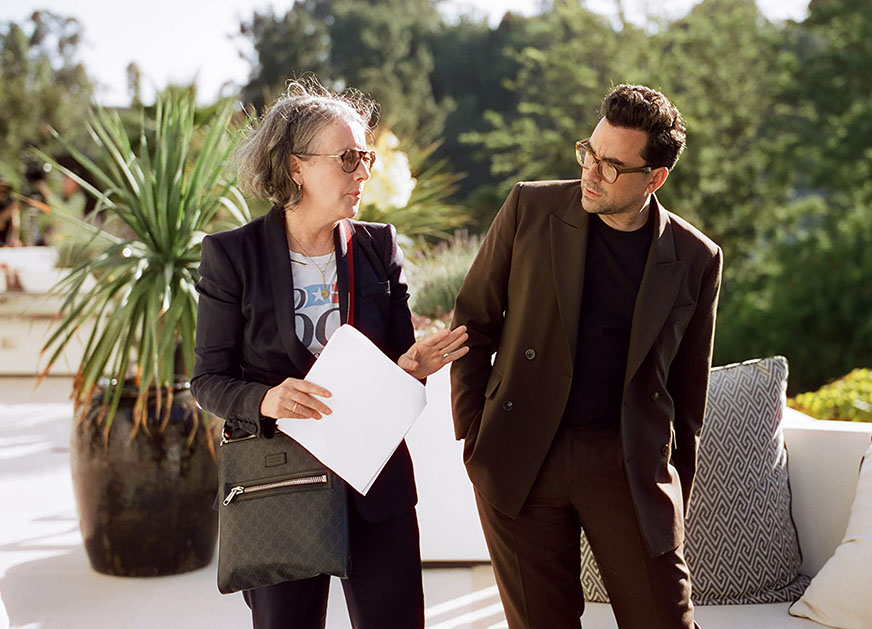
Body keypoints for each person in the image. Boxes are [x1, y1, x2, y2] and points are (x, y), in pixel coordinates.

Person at [192, 79, 468, 629]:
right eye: (348, 158)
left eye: (365, 157)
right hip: (280, 489)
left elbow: (396, 361)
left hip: (376, 487)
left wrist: (410, 368)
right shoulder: (233, 255)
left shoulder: (378, 246)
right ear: (297, 167)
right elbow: (208, 380)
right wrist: (267, 399)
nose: (363, 172)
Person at [450, 83, 722, 629]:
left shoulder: (696, 257)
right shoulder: (530, 207)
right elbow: (473, 321)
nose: (591, 174)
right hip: (520, 455)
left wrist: (671, 495)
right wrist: (474, 436)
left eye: (611, 167)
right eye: (589, 153)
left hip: (625, 464)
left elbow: (688, 393)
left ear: (655, 179)